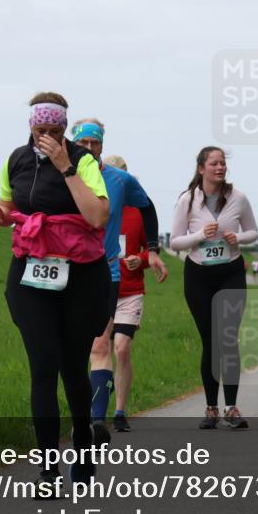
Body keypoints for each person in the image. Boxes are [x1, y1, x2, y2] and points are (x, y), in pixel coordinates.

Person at [0, 92, 110, 491]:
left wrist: (65, 166)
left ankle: (84, 442)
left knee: (73, 370)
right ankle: (48, 472)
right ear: (31, 127)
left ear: (64, 127)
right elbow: (9, 207)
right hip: (31, 274)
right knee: (43, 366)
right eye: (42, 130)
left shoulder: (83, 161)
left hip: (79, 276)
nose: (49, 138)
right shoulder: (15, 160)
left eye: (56, 131)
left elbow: (96, 216)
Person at [72, 119, 168, 436]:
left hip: (105, 271)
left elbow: (148, 208)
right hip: (66, 272)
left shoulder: (119, 180)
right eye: (82, 143)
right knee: (71, 350)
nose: (88, 149)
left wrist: (151, 250)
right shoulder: (60, 178)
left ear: (102, 145)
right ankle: (81, 413)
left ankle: (97, 422)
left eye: (94, 144)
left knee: (102, 346)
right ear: (73, 143)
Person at [171, 147, 258, 429]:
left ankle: (232, 408)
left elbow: (253, 232)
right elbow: (175, 242)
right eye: (214, 163)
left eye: (223, 163)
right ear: (201, 168)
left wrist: (238, 238)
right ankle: (211, 408)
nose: (220, 168)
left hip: (230, 273)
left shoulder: (238, 198)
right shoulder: (188, 200)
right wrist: (198, 235)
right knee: (211, 342)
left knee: (228, 339)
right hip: (198, 275)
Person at [103, 155, 151, 433]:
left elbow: (151, 249)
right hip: (100, 291)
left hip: (129, 291)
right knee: (102, 351)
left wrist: (140, 259)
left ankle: (120, 411)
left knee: (121, 349)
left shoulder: (137, 212)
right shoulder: (95, 209)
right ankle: (99, 410)